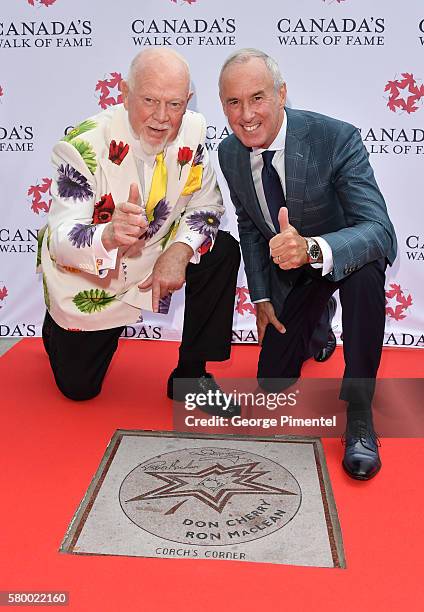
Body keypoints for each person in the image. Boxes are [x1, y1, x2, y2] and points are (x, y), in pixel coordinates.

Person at [218, 48, 397, 480]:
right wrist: (261, 295)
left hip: (344, 258)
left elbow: (380, 230)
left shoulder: (334, 138)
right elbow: (248, 224)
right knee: (272, 380)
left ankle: (358, 410)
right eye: (233, 102)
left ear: (281, 94)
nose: (246, 115)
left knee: (366, 265)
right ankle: (319, 322)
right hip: (293, 274)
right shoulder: (229, 153)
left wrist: (314, 249)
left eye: (257, 97)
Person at [39, 47, 240, 417]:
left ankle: (191, 376)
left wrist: (179, 251)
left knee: (222, 249)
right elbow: (61, 239)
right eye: (149, 100)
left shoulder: (193, 131)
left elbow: (208, 206)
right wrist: (109, 236)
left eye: (174, 104)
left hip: (155, 258)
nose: (162, 117)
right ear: (125, 93)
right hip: (94, 281)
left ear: (188, 101)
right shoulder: (81, 147)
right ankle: (55, 327)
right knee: (79, 389)